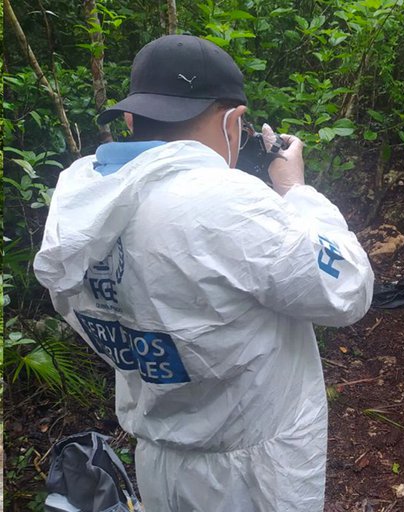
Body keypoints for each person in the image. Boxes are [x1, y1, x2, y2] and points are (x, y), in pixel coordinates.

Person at [34, 34, 374, 511]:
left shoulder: (81, 203)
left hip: (159, 457)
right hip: (252, 472)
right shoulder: (229, 203)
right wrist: (294, 189)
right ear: (234, 121)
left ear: (130, 119)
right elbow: (348, 289)